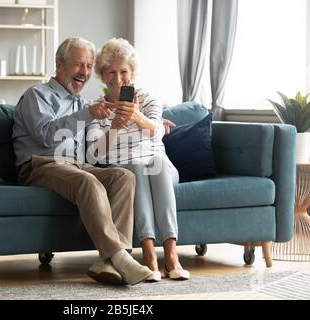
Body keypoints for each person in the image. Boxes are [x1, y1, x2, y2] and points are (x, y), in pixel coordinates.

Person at [12, 37, 153, 286]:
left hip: (77, 165)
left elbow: (92, 155)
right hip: (41, 164)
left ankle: (108, 263)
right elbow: (46, 136)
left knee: (123, 176)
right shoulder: (38, 95)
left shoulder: (81, 102)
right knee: (87, 181)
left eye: (88, 66)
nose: (85, 73)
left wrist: (117, 126)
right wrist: (88, 113)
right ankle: (121, 256)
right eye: (79, 65)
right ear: (59, 65)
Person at [87, 38, 190, 281]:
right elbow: (95, 153)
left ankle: (172, 256)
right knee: (136, 169)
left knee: (158, 164)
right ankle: (149, 257)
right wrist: (113, 127)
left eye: (124, 71)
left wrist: (136, 116)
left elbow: (156, 130)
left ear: (133, 72)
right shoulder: (96, 109)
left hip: (159, 165)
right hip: (127, 166)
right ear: (102, 75)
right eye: (111, 71)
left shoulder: (147, 99)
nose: (118, 78)